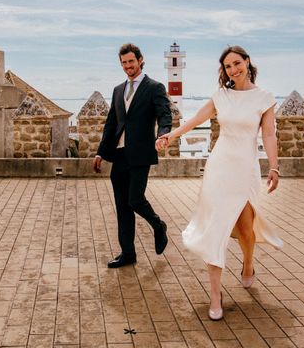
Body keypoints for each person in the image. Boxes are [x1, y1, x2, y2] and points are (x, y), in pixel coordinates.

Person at [156, 45, 283, 320]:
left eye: (237, 63)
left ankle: (248, 264)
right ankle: (216, 295)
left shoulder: (264, 98)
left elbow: (269, 135)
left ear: (248, 62)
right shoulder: (221, 96)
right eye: (228, 66)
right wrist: (171, 136)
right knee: (215, 230)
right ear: (224, 71)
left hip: (246, 170)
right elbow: (194, 120)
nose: (234, 69)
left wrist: (273, 167)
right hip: (219, 168)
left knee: (246, 229)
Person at [93, 43, 173, 268]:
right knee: (122, 206)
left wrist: (163, 134)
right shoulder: (118, 90)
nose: (128, 66)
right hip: (119, 155)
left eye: (131, 61)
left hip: (140, 154)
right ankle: (128, 253)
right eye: (124, 63)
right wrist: (100, 152)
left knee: (135, 199)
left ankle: (159, 226)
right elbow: (111, 123)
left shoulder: (154, 87)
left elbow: (164, 115)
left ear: (140, 60)